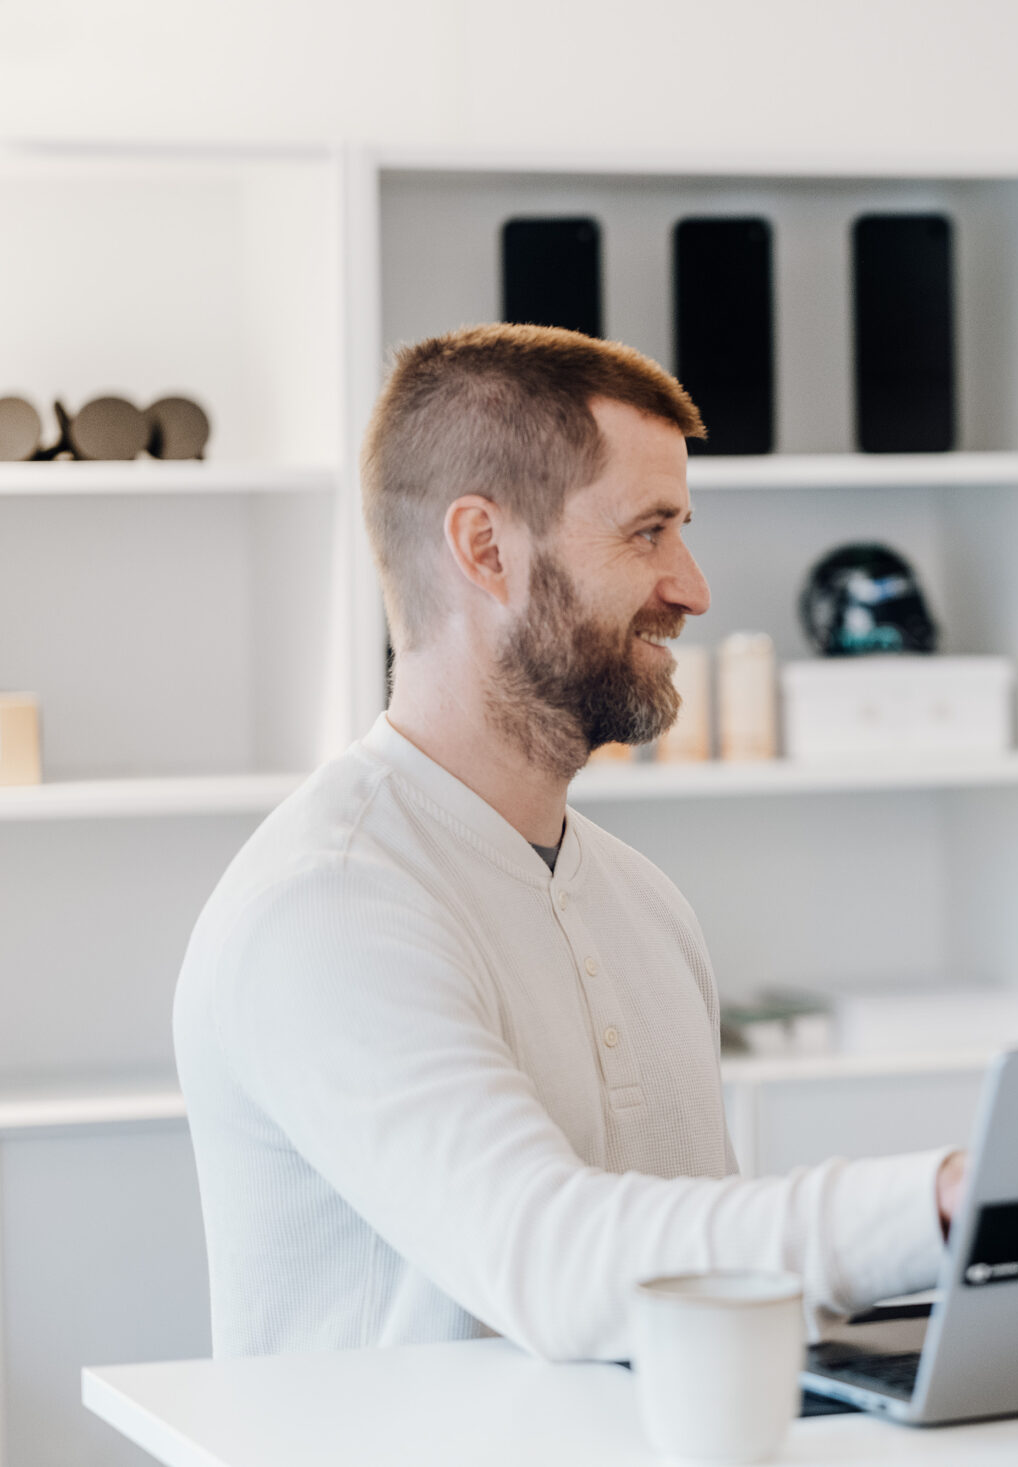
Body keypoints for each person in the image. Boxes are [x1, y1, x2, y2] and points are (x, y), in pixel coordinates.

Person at [174, 324, 964, 1360]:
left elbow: (689, 1296)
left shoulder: (641, 900)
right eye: (648, 533)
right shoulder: (328, 907)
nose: (692, 587)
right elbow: (550, 1259)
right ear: (486, 549)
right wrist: (941, 1204)